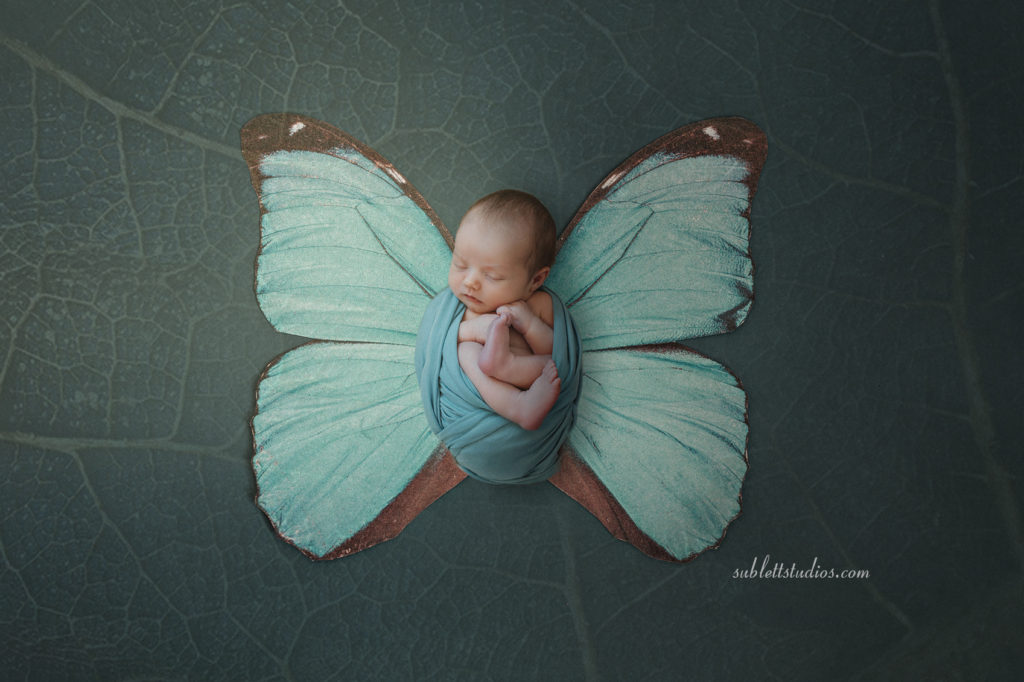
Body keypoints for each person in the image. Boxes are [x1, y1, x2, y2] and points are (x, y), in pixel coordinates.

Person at [448, 190, 561, 430]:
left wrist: (530, 326)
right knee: (465, 351)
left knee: (555, 364)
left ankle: (508, 369)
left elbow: (557, 352)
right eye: (460, 264)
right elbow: (437, 342)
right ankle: (518, 406)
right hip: (484, 407)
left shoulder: (538, 305)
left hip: (532, 376)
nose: (470, 282)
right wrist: (474, 329)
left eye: (492, 276)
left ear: (535, 280)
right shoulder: (458, 310)